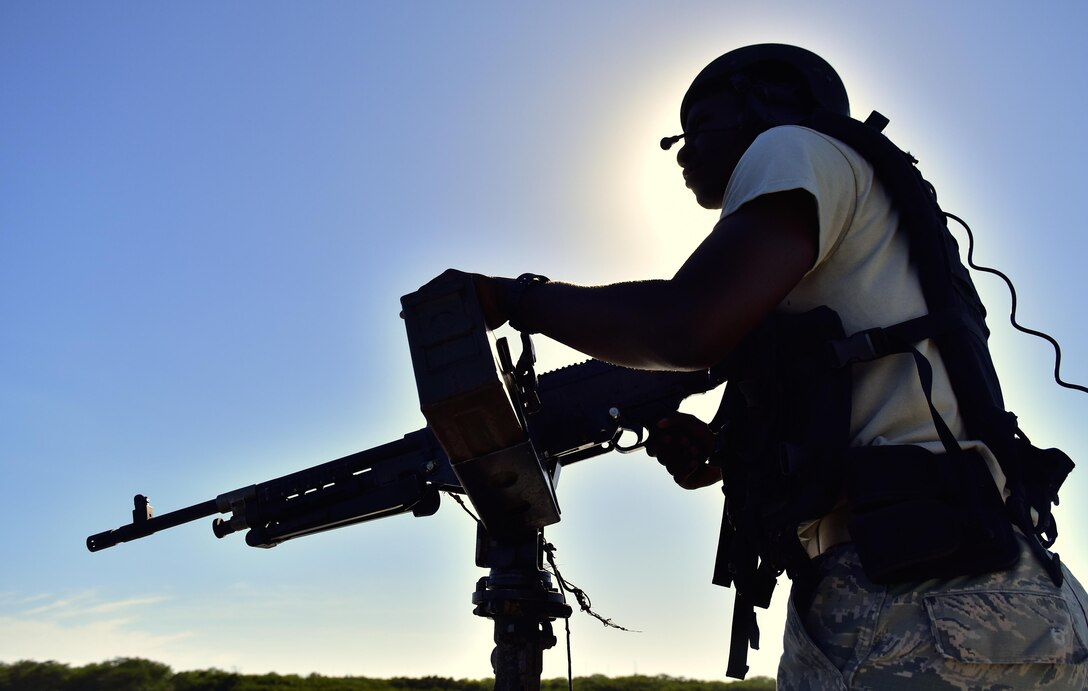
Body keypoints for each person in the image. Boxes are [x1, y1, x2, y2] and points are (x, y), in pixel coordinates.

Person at [428, 44, 1088, 689]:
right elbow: (843, 400)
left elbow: (686, 325)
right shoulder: (863, 230)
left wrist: (515, 297)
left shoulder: (790, 148)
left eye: (699, 125)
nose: (683, 151)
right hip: (999, 587)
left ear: (762, 103)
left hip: (913, 598)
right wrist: (717, 453)